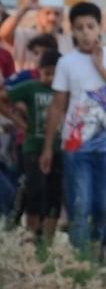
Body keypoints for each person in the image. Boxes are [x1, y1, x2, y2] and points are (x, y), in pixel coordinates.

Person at [39, 2, 106, 252]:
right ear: (73, 30)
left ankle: (94, 246)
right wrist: (47, 148)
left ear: (100, 27)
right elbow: (57, 106)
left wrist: (99, 66)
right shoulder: (66, 63)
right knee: (80, 205)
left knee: (105, 206)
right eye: (79, 28)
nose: (85, 33)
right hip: (75, 146)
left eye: (90, 26)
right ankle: (81, 259)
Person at [7, 50, 63, 241]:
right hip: (33, 147)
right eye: (47, 73)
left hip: (58, 148)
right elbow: (4, 97)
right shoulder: (31, 87)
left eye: (55, 73)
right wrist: (18, 121)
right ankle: (31, 235)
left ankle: (47, 241)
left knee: (55, 193)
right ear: (39, 71)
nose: (51, 78)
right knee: (35, 191)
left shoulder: (63, 91)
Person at [0, 0, 73, 70]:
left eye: (57, 14)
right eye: (47, 13)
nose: (52, 18)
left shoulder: (68, 42)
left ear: (62, 17)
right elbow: (4, 33)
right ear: (38, 15)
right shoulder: (23, 34)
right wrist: (25, 7)